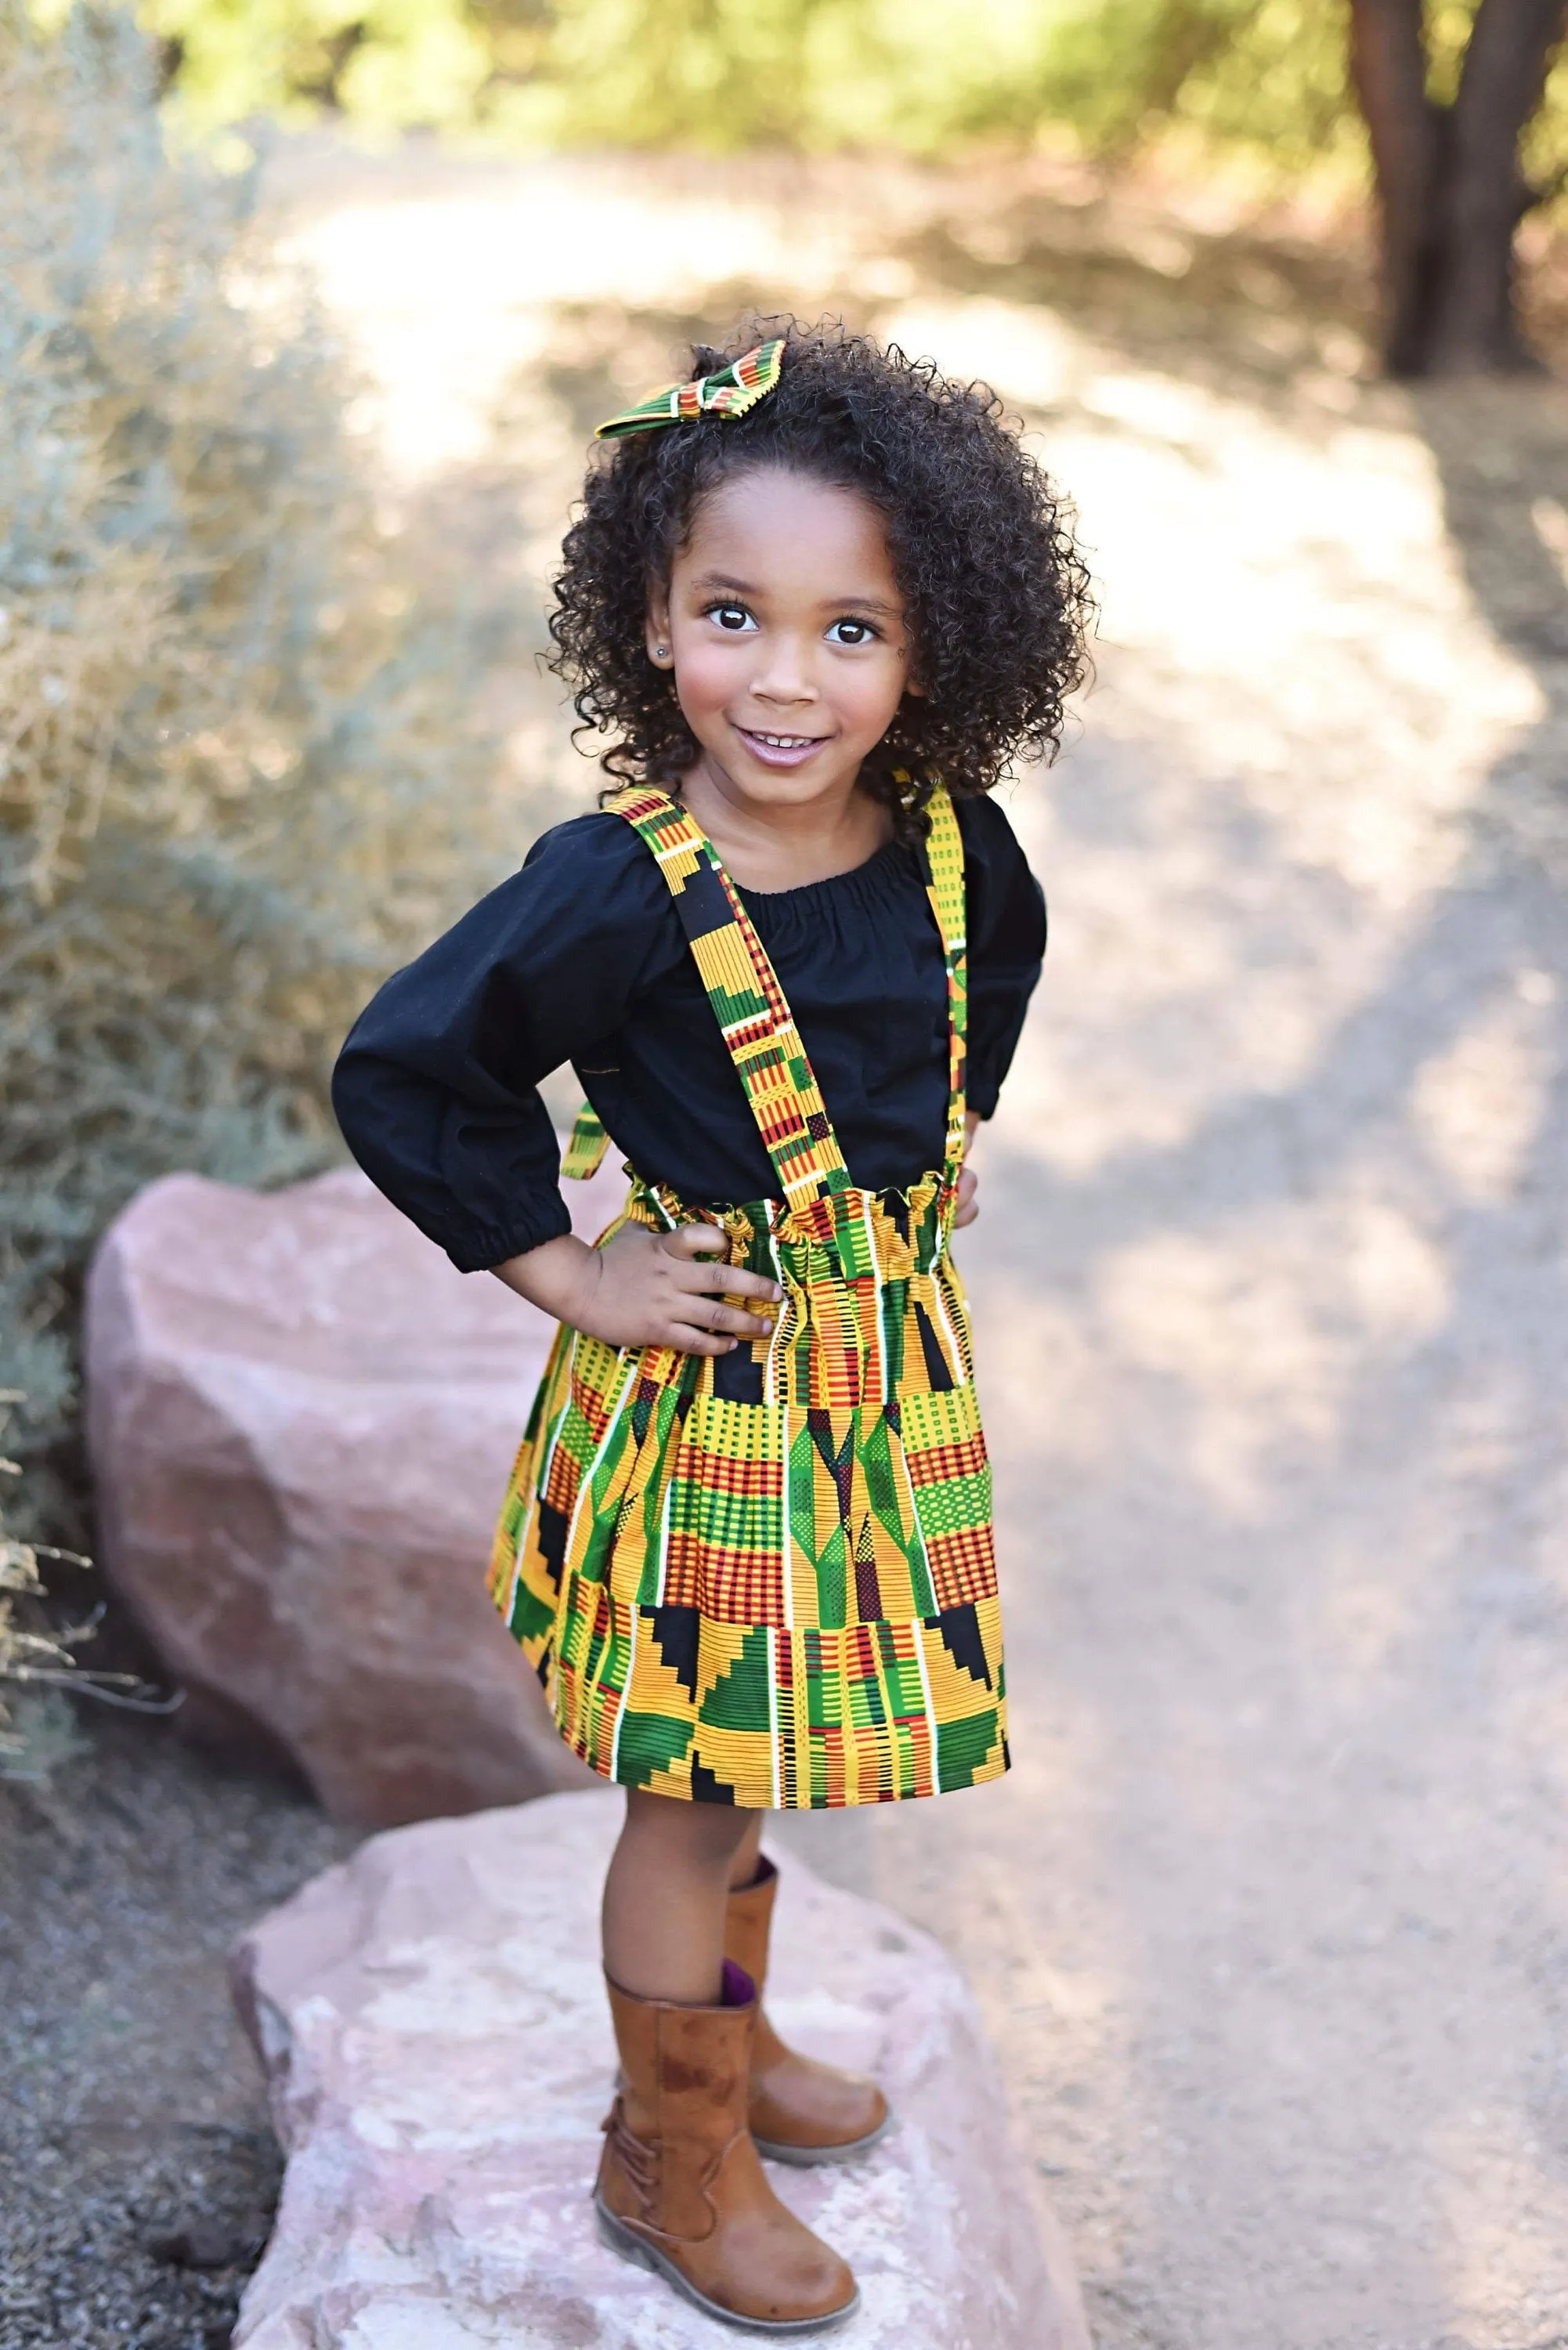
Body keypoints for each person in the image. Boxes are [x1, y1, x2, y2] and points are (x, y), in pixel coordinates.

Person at [332, 320, 1089, 2334]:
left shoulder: (948, 844)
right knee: (691, 1777)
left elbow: (975, 1008)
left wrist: (915, 1178)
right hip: (710, 1406)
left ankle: (724, 2048)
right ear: (645, 621)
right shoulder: (614, 890)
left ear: (939, 650)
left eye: (854, 630)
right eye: (732, 615)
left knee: (752, 1767)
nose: (785, 676)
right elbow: (412, 1072)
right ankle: (668, 2156)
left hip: (872, 1379)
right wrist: (570, 1268)